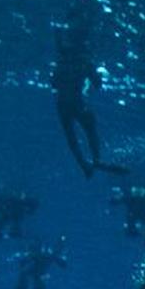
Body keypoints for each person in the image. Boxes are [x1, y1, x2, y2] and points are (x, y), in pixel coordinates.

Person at [55, 15, 106, 178]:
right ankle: (96, 159)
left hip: (62, 103)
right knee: (90, 129)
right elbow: (98, 85)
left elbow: (54, 83)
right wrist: (97, 76)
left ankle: (84, 164)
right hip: (77, 102)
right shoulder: (85, 61)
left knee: (71, 136)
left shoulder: (62, 60)